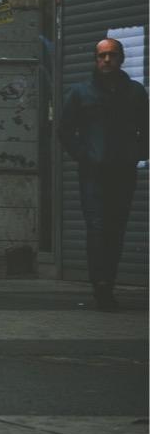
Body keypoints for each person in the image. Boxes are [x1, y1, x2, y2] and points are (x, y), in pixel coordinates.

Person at [59, 36, 149, 311]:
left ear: (121, 59)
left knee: (116, 229)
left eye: (112, 55)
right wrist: (84, 156)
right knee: (98, 229)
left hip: (123, 172)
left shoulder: (134, 92)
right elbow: (64, 131)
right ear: (95, 60)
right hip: (93, 174)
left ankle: (107, 282)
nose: (106, 60)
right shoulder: (81, 92)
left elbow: (146, 128)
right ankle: (101, 286)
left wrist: (138, 154)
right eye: (102, 55)